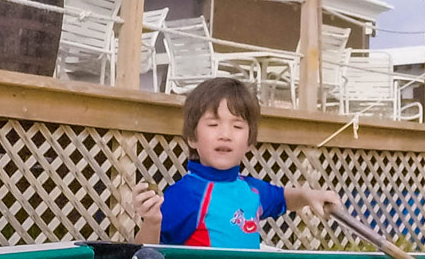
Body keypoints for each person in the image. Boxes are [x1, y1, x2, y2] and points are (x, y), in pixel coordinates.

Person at [133, 77, 341, 247]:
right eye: (213, 124)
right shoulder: (184, 195)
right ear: (192, 138)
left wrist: (308, 195)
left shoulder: (251, 189)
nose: (225, 134)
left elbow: (282, 198)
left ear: (250, 142)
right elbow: (143, 258)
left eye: (237, 127)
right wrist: (152, 222)